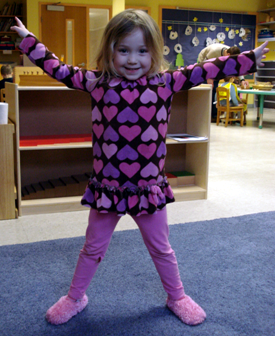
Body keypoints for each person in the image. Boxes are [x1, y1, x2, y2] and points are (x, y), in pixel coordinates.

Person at [11, 10, 268, 326]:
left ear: (154, 52)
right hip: (108, 189)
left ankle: (177, 296)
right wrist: (29, 42)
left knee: (161, 248)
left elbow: (206, 69)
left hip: (148, 190)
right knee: (92, 247)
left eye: (142, 51)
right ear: (110, 51)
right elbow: (61, 70)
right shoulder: (97, 83)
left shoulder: (165, 83)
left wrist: (248, 59)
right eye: (123, 50)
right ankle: (75, 297)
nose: (133, 60)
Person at [198, 44, 249, 122]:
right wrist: (208, 77)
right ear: (228, 55)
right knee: (209, 90)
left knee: (215, 90)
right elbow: (205, 64)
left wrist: (242, 80)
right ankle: (208, 115)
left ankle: (215, 115)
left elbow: (237, 67)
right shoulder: (214, 52)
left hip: (217, 64)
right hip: (203, 61)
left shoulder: (232, 55)